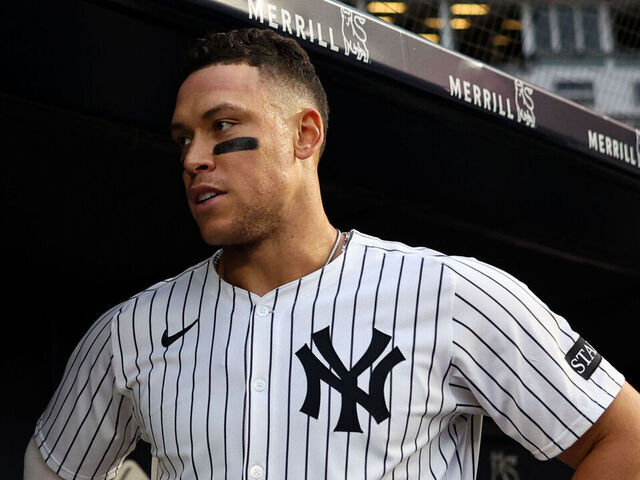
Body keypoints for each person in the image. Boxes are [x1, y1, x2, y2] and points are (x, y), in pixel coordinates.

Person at [25, 28, 640, 480]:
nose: (192, 158)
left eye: (221, 126)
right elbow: (50, 466)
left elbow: (625, 436)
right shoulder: (130, 331)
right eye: (183, 138)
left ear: (304, 135)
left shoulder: (450, 293)